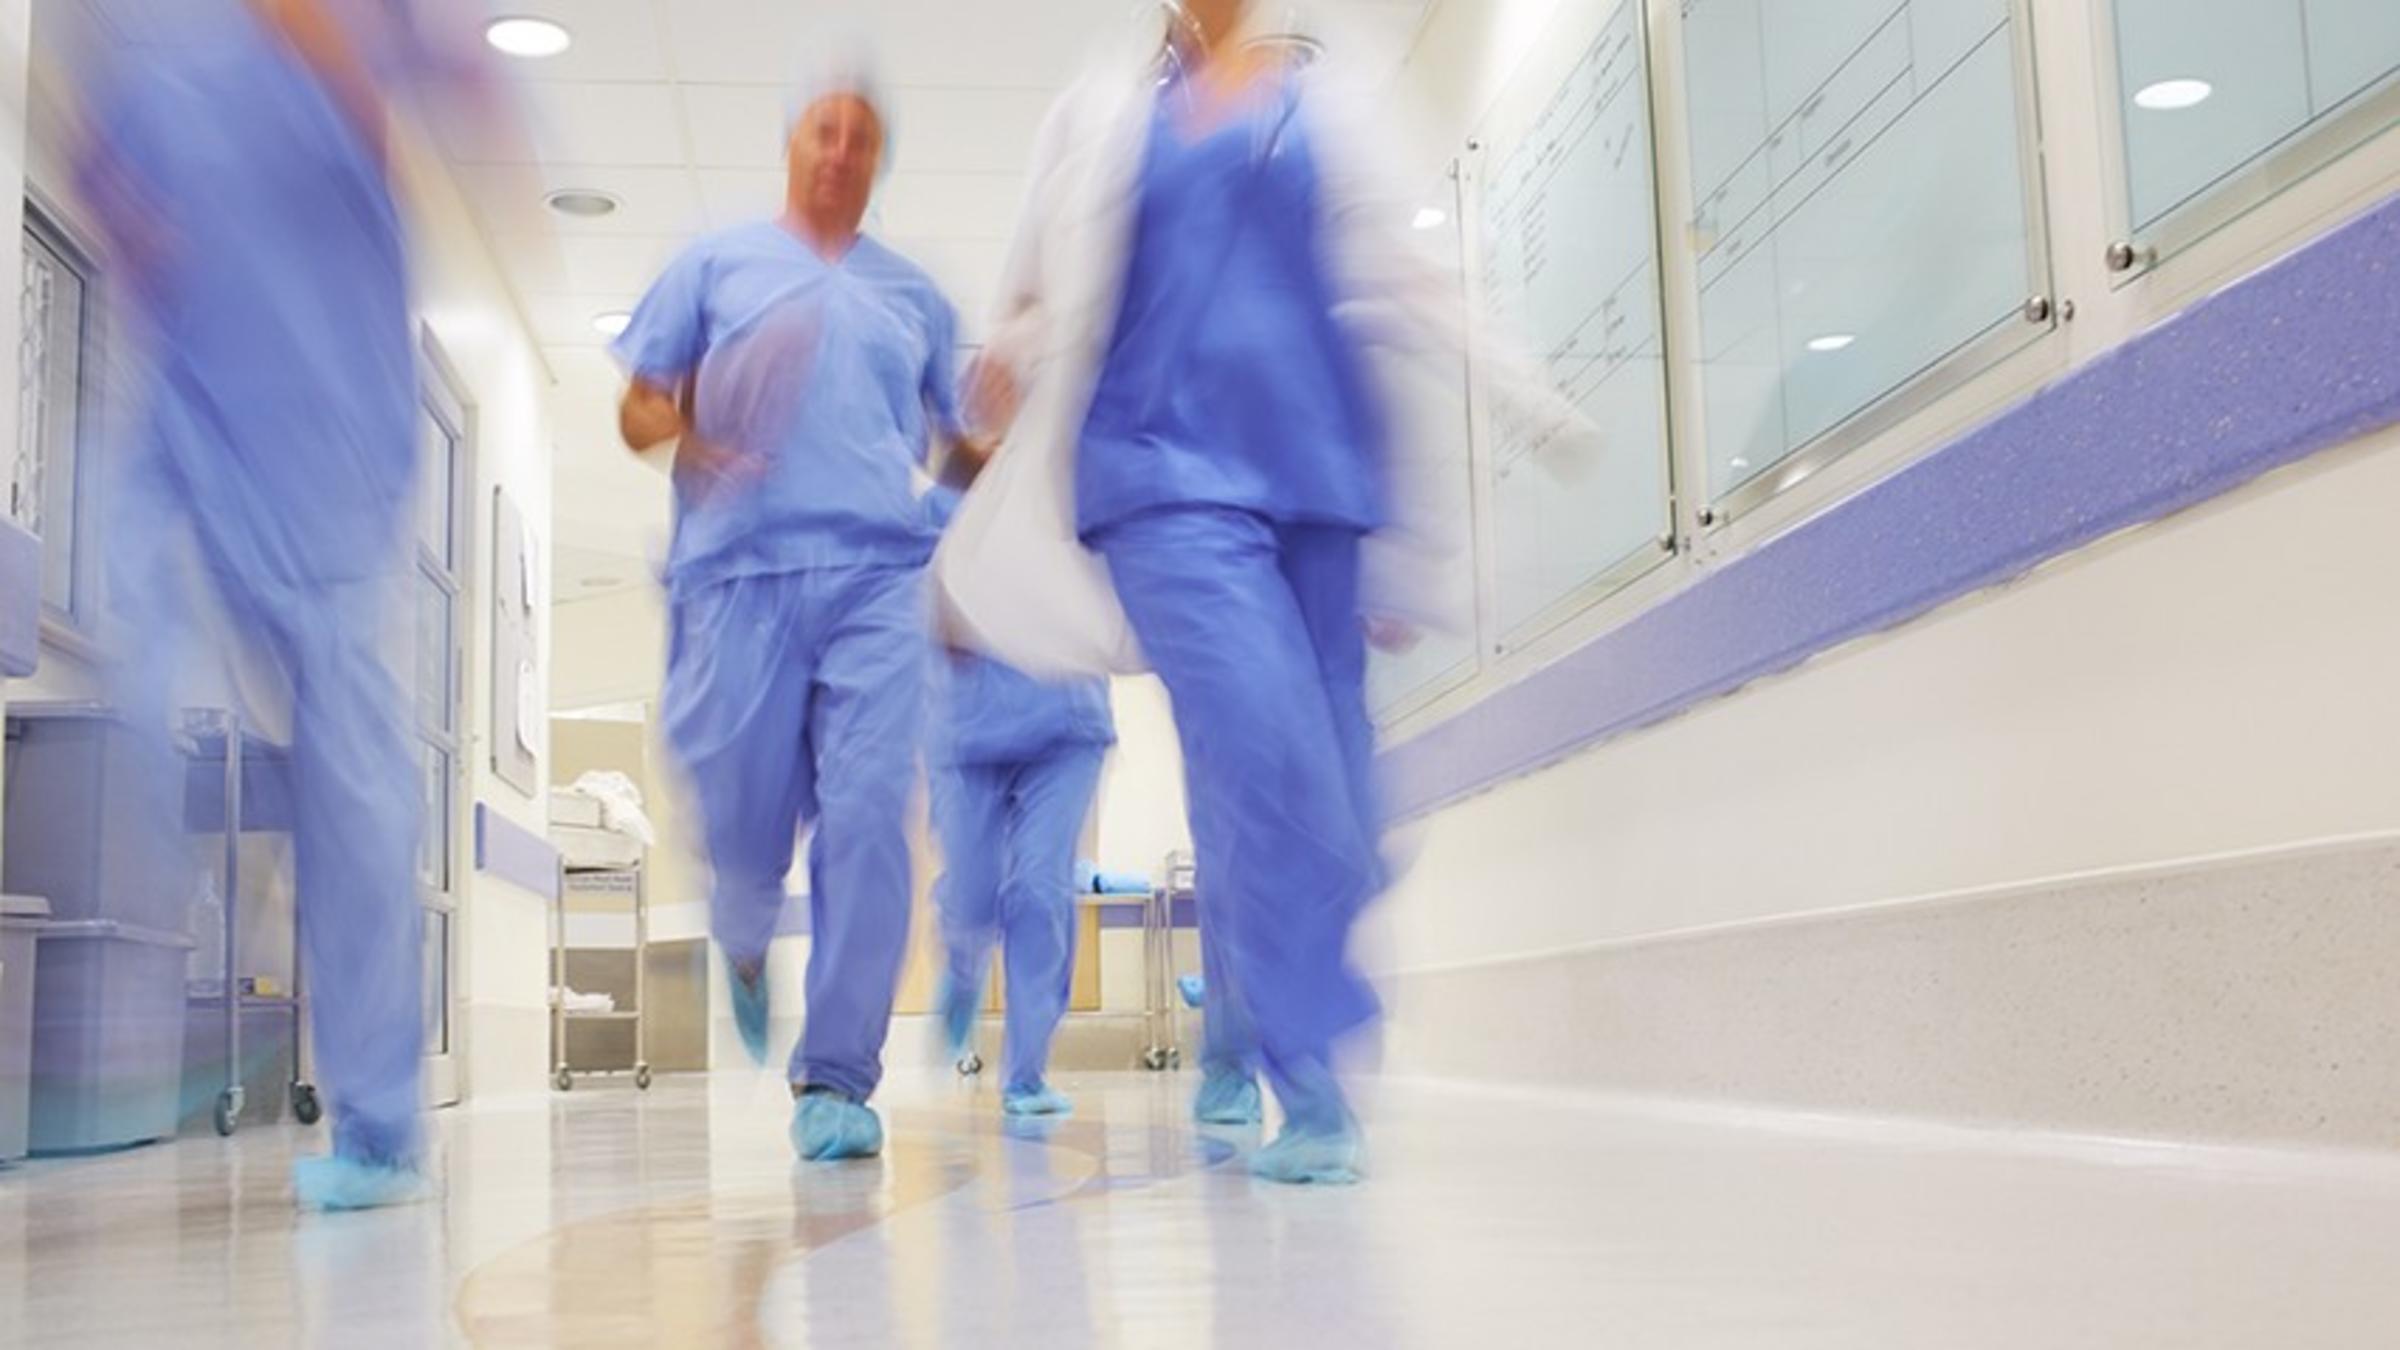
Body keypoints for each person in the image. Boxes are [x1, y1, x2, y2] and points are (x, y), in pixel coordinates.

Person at [941, 0, 1591, 1183]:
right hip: (1159, 485)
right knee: (1263, 749)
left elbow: (1406, 277)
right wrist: (1002, 358)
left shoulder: (1330, 104)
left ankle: (1266, 1032)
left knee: (1341, 800)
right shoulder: (1100, 117)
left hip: (1319, 484)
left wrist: (1522, 387)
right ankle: (1307, 1075)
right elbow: (1037, 293)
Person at [75, 0, 501, 1211]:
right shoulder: (141, 26)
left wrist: (358, 74)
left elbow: (455, 84)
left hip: (332, 442)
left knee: (356, 774)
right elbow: (98, 138)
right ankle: (133, 973)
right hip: (191, 386)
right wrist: (120, 199)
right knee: (133, 663)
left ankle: (376, 1120)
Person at [614, 72, 979, 1162]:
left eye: (862, 138)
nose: (840, 150)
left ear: (876, 164)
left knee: (871, 811)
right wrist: (693, 423)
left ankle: (835, 1075)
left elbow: (954, 446)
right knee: (742, 819)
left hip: (875, 573)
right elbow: (636, 406)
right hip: (738, 572)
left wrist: (999, 443)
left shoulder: (912, 298)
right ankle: (738, 931)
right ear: (792, 146)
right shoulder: (715, 265)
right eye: (826, 131)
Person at [922, 488, 1116, 1119]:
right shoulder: (939, 510)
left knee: (1039, 889)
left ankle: (1026, 1074)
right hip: (966, 732)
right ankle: (962, 954)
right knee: (973, 893)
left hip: (1067, 726)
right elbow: (909, 608)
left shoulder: (1078, 490)